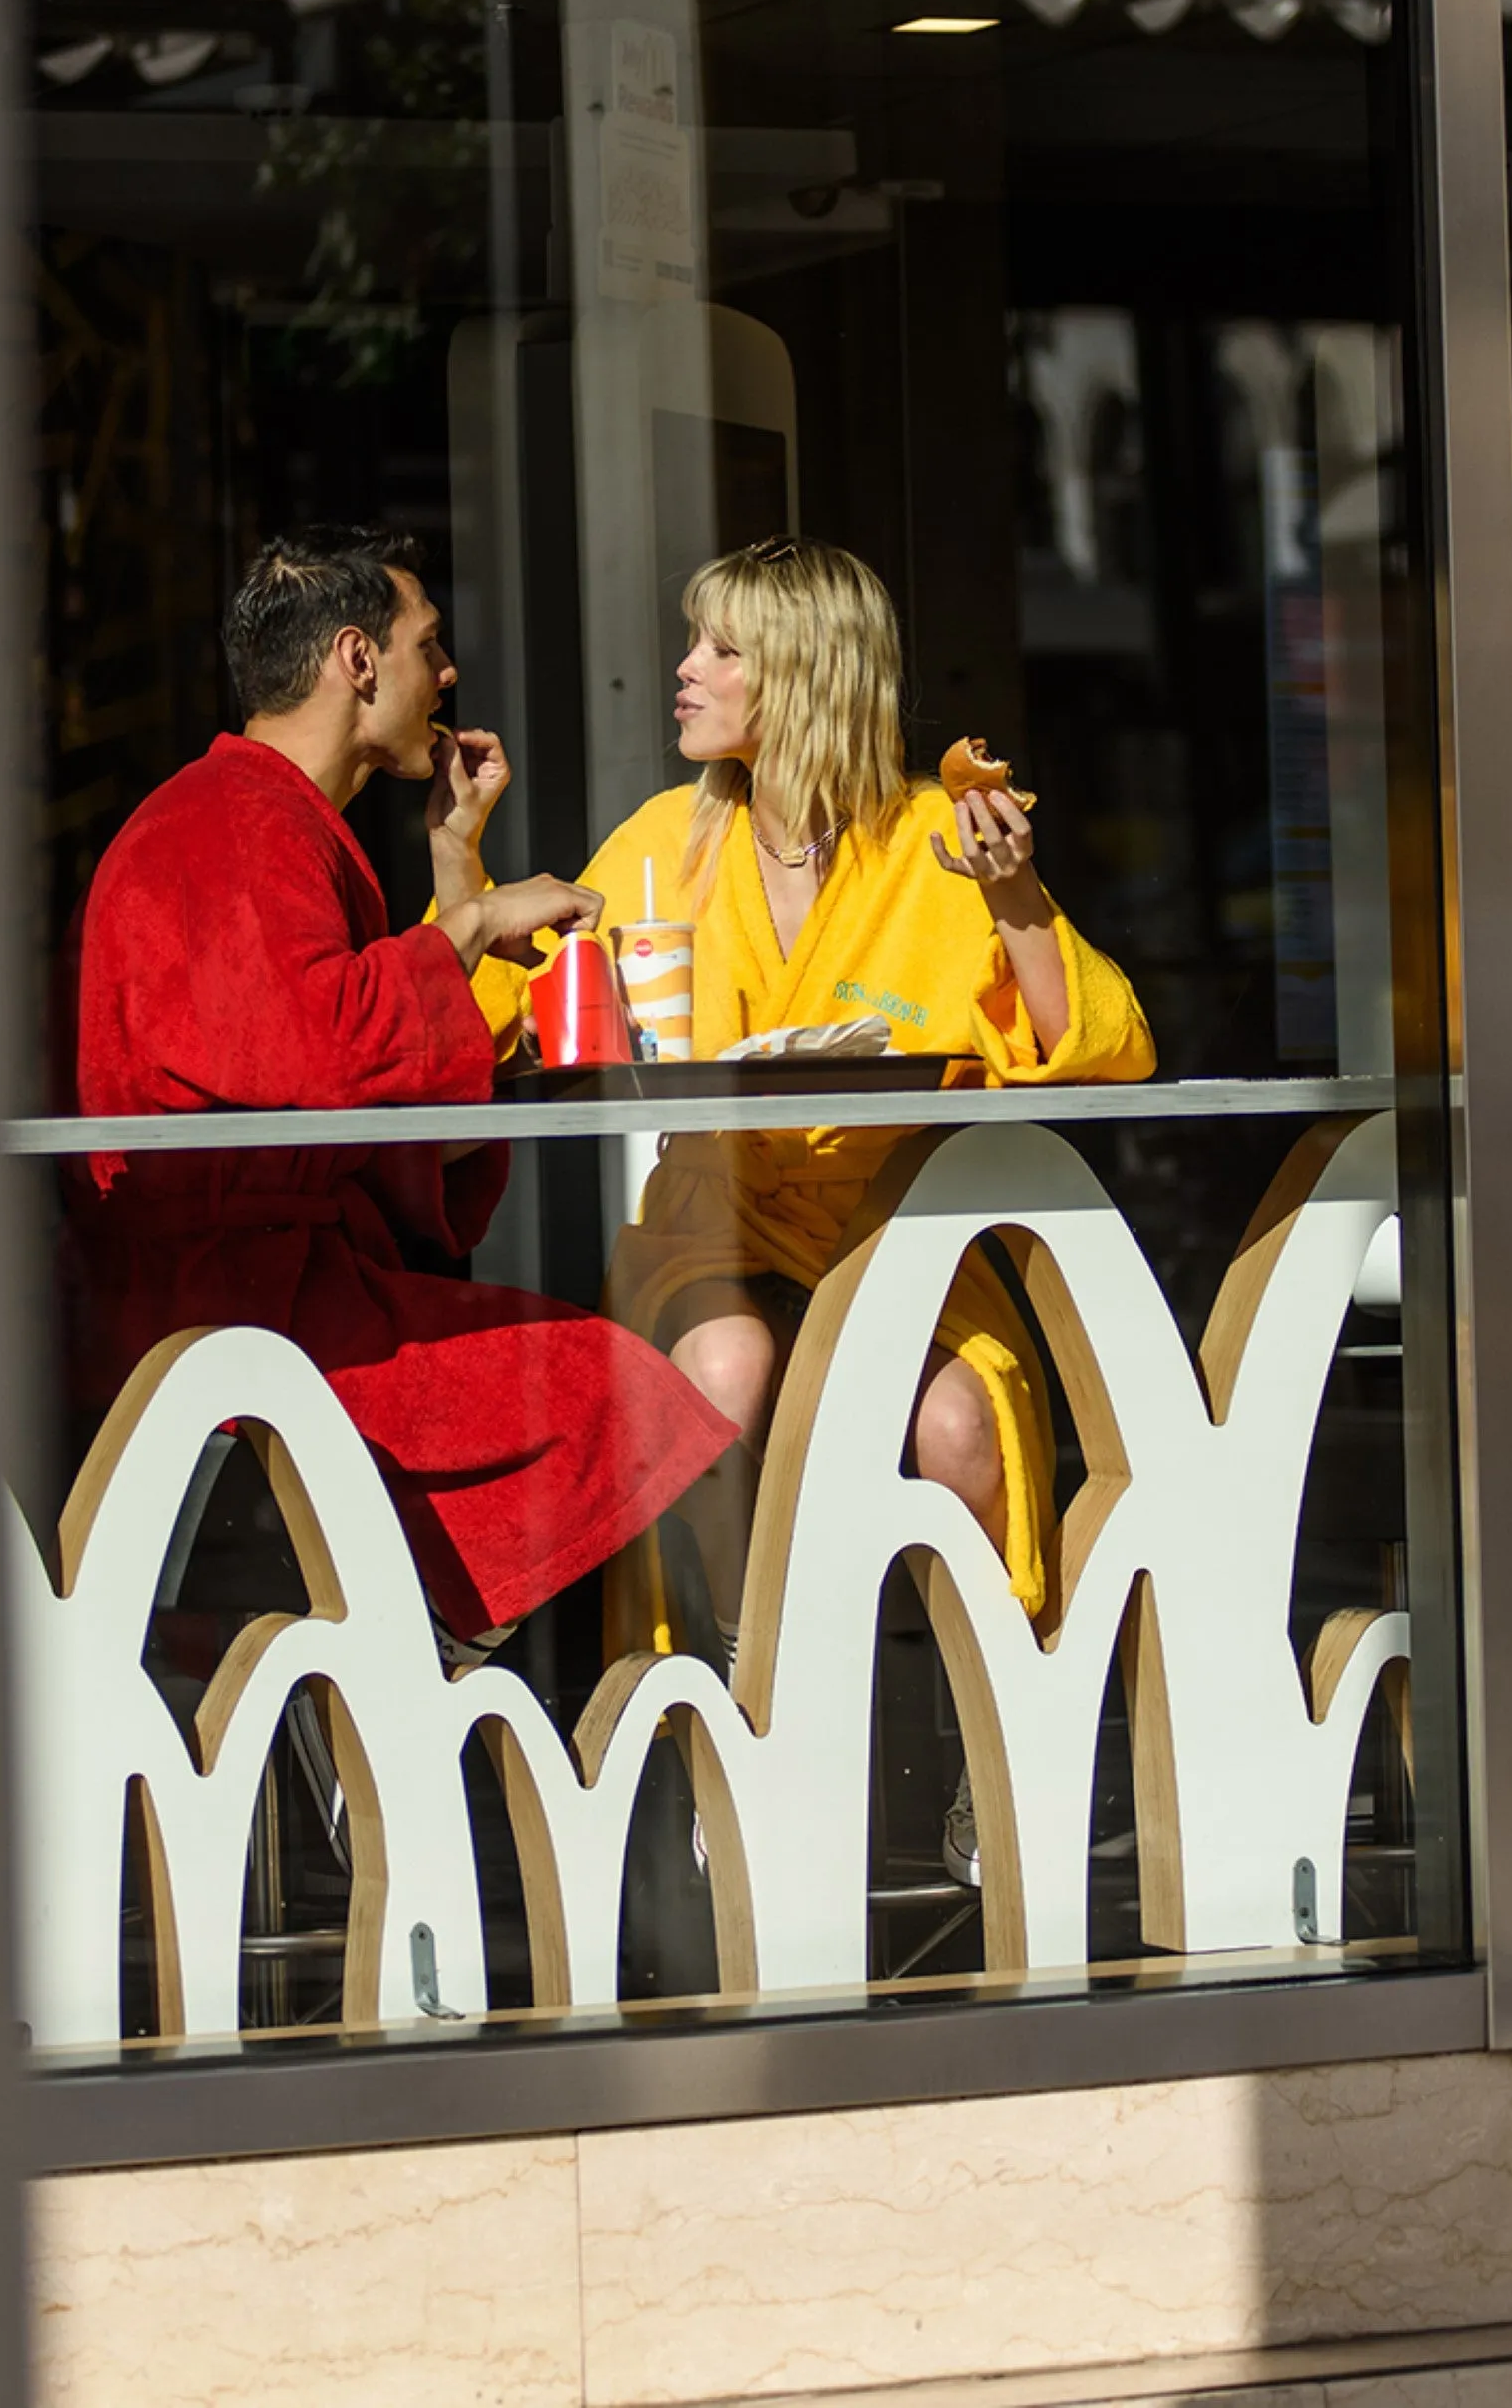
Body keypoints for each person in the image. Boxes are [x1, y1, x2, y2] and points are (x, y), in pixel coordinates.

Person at [478, 537, 1154, 1876]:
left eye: (721, 649)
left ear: (799, 673)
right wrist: (472, 882)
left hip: (891, 1229)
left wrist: (1015, 896)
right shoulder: (669, 839)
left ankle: (990, 1740)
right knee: (720, 1369)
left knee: (960, 1423)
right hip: (717, 1220)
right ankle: (740, 1710)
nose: (686, 671)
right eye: (696, 643)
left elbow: (1099, 1045)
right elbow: (526, 1006)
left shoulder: (926, 842)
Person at [71, 524, 734, 1654]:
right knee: (610, 1392)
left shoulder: (269, 820)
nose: (448, 673)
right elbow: (316, 1050)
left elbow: (329, 1042)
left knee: (604, 1386)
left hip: (287, 1286)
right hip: (236, 1313)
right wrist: (472, 922)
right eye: (429, 643)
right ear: (356, 661)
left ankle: (406, 1675)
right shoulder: (230, 824)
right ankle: (407, 1685)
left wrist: (453, 872)